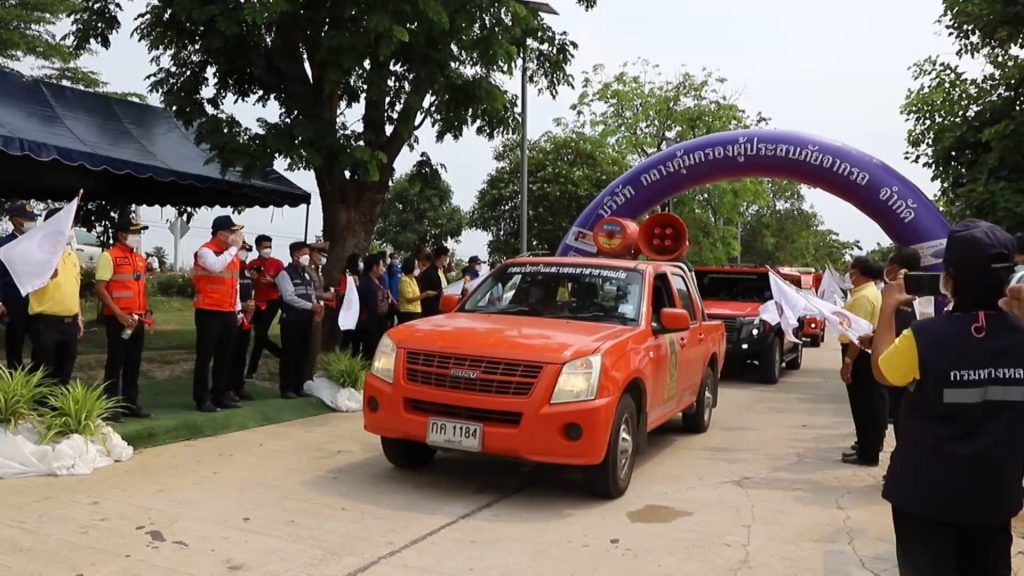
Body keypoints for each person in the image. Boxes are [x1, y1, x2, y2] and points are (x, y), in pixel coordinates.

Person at [872, 219, 1024, 576]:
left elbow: (882, 371)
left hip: (925, 499)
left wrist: (888, 308)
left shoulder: (924, 337)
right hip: (993, 498)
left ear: (949, 279)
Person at [94, 215, 152, 421]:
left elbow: (141, 287)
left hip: (137, 319)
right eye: (134, 232)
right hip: (119, 319)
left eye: (139, 232)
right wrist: (118, 313)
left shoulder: (139, 259)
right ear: (121, 235)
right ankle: (111, 406)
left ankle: (130, 403)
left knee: (133, 362)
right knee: (116, 361)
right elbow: (100, 288)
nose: (137, 236)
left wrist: (147, 311)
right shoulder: (109, 256)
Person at [192, 215, 245, 413]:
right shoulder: (205, 251)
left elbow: (235, 284)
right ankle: (202, 398)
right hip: (208, 310)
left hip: (228, 310)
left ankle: (220, 394)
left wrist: (237, 309)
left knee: (225, 356)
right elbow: (215, 266)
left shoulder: (232, 255)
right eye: (232, 232)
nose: (236, 236)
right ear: (221, 234)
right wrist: (233, 249)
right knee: (205, 356)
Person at [27, 207, 83, 385]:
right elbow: (27, 280)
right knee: (43, 371)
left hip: (69, 322)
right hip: (45, 322)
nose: (71, 230)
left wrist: (79, 316)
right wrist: (44, 274)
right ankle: (40, 403)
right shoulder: (37, 252)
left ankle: (60, 401)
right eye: (68, 225)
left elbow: (75, 288)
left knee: (65, 370)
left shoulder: (71, 255)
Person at [839, 256, 886, 466]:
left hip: (860, 354)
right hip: (865, 352)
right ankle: (865, 446)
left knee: (863, 404)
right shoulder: (866, 292)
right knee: (866, 403)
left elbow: (857, 334)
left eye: (851, 270)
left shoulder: (864, 297)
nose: (849, 275)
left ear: (858, 272)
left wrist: (848, 361)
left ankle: (867, 452)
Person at [881, 246, 921, 440]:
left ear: (896, 269)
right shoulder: (923, 294)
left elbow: (896, 334)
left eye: (888, 266)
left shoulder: (900, 298)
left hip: (905, 376)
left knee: (904, 425)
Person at [276, 242, 324, 398]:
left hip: (306, 320)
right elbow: (289, 297)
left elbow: (311, 294)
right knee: (290, 354)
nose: (308, 257)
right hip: (292, 320)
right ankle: (287, 388)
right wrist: (311, 306)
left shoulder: (306, 275)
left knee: (303, 354)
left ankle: (299, 386)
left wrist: (316, 307)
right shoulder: (285, 274)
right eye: (305, 253)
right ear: (295, 255)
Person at [0, 201, 40, 369]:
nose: (32, 222)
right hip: (14, 298)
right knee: (15, 342)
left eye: (33, 219)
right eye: (27, 219)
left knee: (41, 341)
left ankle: (36, 376)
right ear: (15, 220)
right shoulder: (4, 244)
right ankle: (15, 376)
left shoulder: (37, 243)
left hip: (37, 299)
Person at [245, 234, 284, 380]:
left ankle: (251, 370)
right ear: (257, 247)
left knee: (260, 335)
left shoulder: (277, 264)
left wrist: (273, 281)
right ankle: (284, 355)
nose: (268, 249)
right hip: (258, 302)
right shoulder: (252, 264)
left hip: (273, 301)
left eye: (269, 247)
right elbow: (249, 285)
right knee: (260, 337)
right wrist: (252, 279)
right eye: (265, 247)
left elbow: (284, 284)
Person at [229, 242, 256, 402]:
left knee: (241, 352)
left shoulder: (246, 269)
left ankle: (239, 385)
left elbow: (250, 289)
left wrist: (251, 304)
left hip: (246, 316)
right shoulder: (229, 267)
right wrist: (241, 305)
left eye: (245, 250)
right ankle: (227, 387)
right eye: (241, 249)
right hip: (232, 314)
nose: (244, 252)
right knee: (230, 353)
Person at [307, 242, 334, 379]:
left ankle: (310, 372)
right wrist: (324, 295)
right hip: (310, 309)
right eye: (321, 255)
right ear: (313, 253)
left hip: (319, 310)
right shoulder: (307, 270)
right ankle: (306, 374)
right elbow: (307, 291)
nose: (323, 259)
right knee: (310, 345)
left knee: (316, 345)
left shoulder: (317, 270)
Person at [354, 254, 388, 360]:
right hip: (370, 323)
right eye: (381, 265)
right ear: (374, 267)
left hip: (381, 320)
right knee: (369, 350)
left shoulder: (380, 279)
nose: (383, 268)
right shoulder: (364, 283)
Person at [397, 256, 436, 324]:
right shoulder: (404, 280)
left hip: (416, 311)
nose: (418, 268)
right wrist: (425, 294)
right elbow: (409, 299)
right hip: (408, 312)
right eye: (416, 266)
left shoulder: (413, 279)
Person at [419, 245, 450, 317]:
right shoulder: (428, 273)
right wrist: (438, 293)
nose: (448, 259)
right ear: (442, 257)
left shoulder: (441, 271)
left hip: (442, 310)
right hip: (431, 312)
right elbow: (425, 292)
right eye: (447, 256)